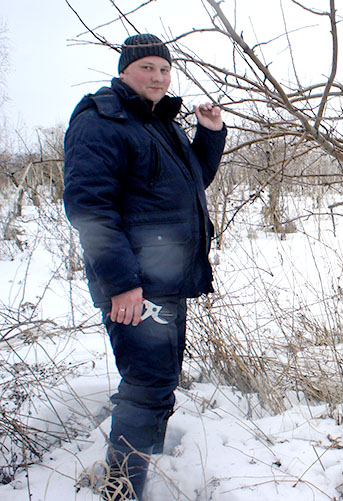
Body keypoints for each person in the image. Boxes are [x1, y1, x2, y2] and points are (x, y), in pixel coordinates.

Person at [64, 33, 226, 500]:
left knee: (158, 380)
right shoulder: (103, 121)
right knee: (146, 383)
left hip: (165, 279)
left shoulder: (158, 121)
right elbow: (89, 207)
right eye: (146, 68)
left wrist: (209, 135)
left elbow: (192, 181)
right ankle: (123, 488)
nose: (157, 77)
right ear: (124, 71)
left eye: (163, 69)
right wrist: (121, 284)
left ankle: (131, 473)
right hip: (136, 284)